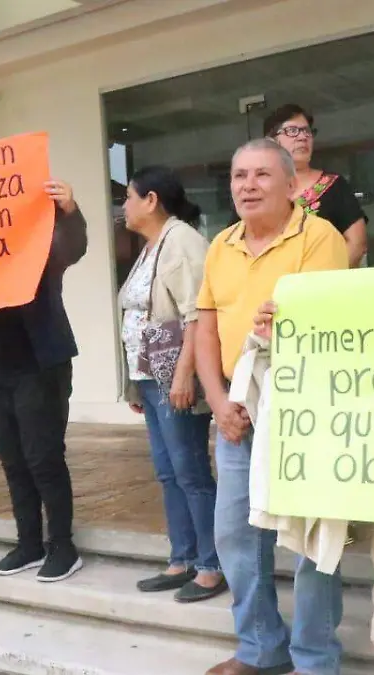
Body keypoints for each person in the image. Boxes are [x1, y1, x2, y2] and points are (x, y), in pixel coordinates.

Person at [195, 138, 349, 675]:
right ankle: (260, 649)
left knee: (311, 540)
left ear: (291, 186)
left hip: (306, 407)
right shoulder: (222, 245)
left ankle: (315, 659)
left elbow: (329, 322)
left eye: (262, 175)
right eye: (239, 176)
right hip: (238, 410)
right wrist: (218, 401)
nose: (248, 185)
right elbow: (206, 327)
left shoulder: (319, 237)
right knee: (236, 533)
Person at [117, 165, 225, 603]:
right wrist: (133, 384)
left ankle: (212, 565)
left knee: (191, 471)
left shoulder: (182, 241)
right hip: (150, 379)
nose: (122, 206)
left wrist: (184, 373)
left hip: (172, 379)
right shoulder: (151, 247)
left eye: (128, 197)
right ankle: (182, 558)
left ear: (151, 200)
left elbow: (198, 312)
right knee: (168, 473)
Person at [0, 180, 88, 583]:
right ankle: (29, 543)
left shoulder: (41, 243)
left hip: (39, 366)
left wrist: (70, 210)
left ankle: (62, 545)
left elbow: (72, 247)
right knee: (13, 460)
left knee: (43, 458)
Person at [263, 104, 369, 267]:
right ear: (271, 142)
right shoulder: (256, 191)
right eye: (292, 131)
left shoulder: (335, 186)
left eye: (307, 131)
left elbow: (357, 243)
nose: (302, 137)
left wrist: (321, 284)